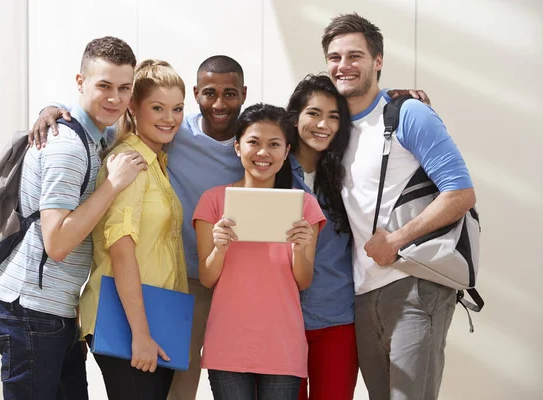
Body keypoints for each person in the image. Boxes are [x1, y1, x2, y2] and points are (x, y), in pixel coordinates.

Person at [29, 54, 429, 399]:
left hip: (198, 301)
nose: (216, 104)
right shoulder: (160, 145)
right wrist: (58, 109)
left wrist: (395, 100)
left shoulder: (283, 173)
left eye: (230, 94)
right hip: (175, 294)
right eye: (207, 94)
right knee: (175, 392)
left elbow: (335, 123)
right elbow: (123, 97)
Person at [322, 13, 477, 400]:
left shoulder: (408, 114)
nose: (344, 66)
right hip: (363, 292)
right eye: (335, 57)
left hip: (414, 284)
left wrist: (396, 240)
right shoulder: (333, 127)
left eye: (355, 55)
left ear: (378, 61)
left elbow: (460, 193)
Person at [0, 36, 145, 400]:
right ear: (80, 82)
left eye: (124, 88)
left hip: (53, 311)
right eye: (104, 86)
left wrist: (52, 106)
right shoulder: (69, 147)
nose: (115, 98)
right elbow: (57, 243)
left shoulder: (95, 134)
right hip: (31, 310)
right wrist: (114, 185)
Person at [193, 103, 326, 400]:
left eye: (274, 144)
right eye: (254, 142)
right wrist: (220, 248)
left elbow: (303, 281)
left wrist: (300, 249)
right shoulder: (213, 201)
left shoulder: (303, 205)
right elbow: (206, 277)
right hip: (228, 344)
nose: (263, 153)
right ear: (238, 147)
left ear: (287, 150)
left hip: (282, 345)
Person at [78, 59, 188, 400]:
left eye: (178, 108)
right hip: (128, 321)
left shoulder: (157, 162)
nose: (169, 118)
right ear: (133, 109)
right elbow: (121, 250)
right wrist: (140, 333)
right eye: (157, 108)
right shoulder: (129, 163)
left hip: (159, 317)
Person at [286, 74, 357, 400]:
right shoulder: (270, 166)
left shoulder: (351, 173)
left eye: (333, 117)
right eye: (314, 113)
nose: (323, 124)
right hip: (280, 319)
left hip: (336, 318)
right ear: (296, 116)